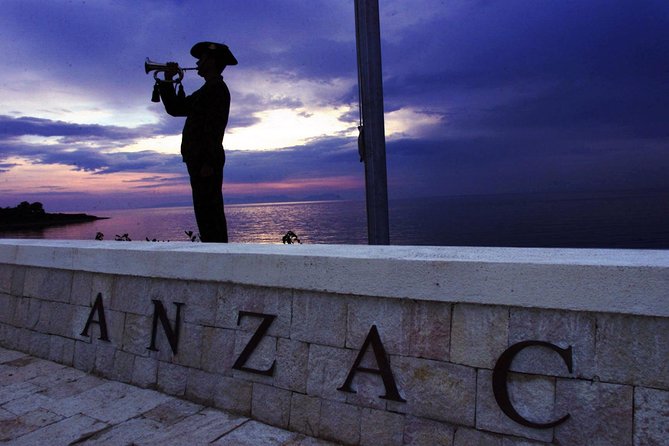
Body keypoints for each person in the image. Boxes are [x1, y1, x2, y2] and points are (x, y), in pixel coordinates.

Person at [155, 41, 237, 243]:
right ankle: (214, 252)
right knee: (205, 212)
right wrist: (167, 80)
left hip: (205, 162)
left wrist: (208, 162)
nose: (198, 63)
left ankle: (217, 255)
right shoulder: (206, 90)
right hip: (199, 161)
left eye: (202, 59)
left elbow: (214, 128)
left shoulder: (216, 89)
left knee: (210, 212)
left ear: (212, 61)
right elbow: (176, 108)